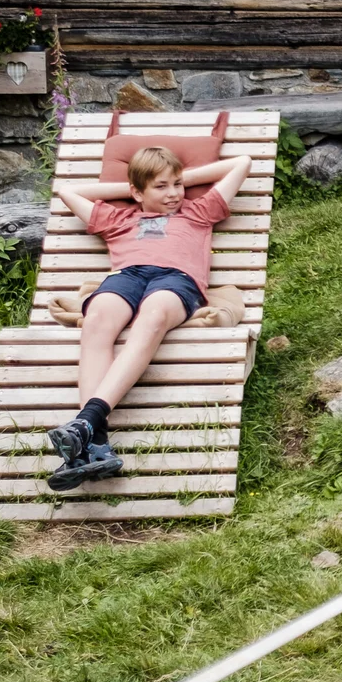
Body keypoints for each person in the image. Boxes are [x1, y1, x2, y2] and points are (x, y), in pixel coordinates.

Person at [46, 145, 252, 489]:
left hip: (176, 280)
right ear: (136, 192)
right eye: (161, 187)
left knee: (153, 314)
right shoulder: (118, 218)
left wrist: (168, 180)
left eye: (177, 184)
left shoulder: (198, 211)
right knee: (97, 318)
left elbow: (242, 163)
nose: (173, 194)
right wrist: (134, 186)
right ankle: (95, 445)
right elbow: (68, 191)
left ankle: (86, 422)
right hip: (126, 276)